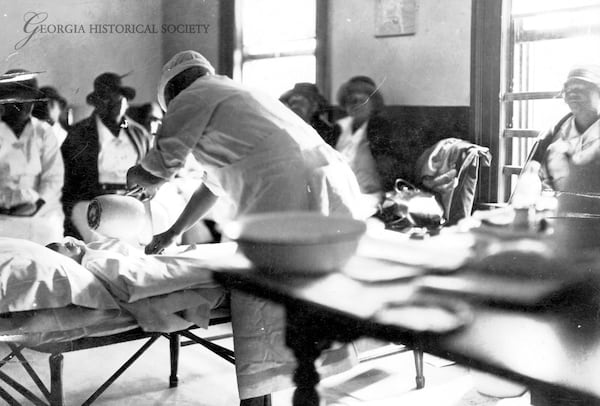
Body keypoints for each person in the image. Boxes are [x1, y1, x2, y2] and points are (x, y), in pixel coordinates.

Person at [126, 50, 362, 406]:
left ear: (172, 92)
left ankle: (257, 399)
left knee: (258, 292)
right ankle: (299, 388)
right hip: (330, 184)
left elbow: (159, 168)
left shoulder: (191, 97)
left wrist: (134, 176)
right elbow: (212, 185)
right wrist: (172, 232)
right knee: (307, 291)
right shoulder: (233, 95)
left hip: (288, 191)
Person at [61, 72, 152, 242]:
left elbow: (149, 171)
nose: (113, 105)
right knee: (101, 245)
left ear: (125, 102)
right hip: (92, 200)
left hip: (130, 200)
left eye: (118, 99)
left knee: (142, 240)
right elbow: (67, 180)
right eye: (105, 99)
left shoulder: (140, 134)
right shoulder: (79, 133)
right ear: (96, 103)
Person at [514, 65, 600, 212]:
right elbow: (534, 179)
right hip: (555, 218)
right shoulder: (553, 136)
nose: (573, 94)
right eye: (569, 90)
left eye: (581, 89)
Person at [0, 69, 65, 244]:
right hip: (2, 212)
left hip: (41, 211)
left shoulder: (43, 132)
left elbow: (54, 177)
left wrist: (37, 204)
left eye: (28, 101)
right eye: (17, 102)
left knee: (48, 241)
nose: (24, 107)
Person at [326, 76, 397, 199]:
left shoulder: (380, 127)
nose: (356, 105)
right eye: (351, 101)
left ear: (373, 104)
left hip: (368, 193)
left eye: (361, 100)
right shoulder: (339, 127)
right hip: (338, 190)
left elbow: (388, 167)